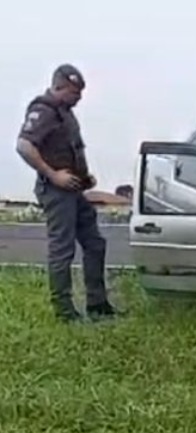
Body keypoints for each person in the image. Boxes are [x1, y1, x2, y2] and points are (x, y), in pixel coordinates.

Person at [15, 64, 117, 323]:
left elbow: (70, 149)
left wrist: (85, 177)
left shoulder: (66, 113)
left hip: (75, 191)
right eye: (74, 93)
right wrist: (53, 174)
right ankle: (64, 312)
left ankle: (98, 304)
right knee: (62, 249)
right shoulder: (43, 110)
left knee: (95, 243)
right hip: (55, 191)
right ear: (58, 87)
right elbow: (24, 146)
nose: (78, 98)